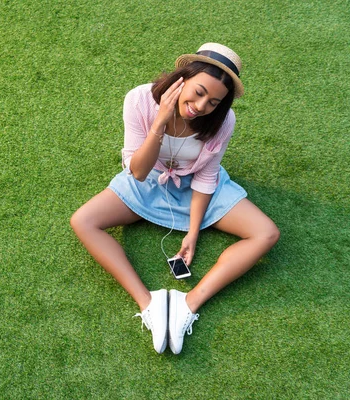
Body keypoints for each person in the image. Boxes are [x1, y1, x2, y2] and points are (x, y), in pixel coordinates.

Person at [70, 43, 280, 354]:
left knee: (267, 233)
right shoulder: (139, 99)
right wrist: (160, 122)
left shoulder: (223, 120)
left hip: (196, 186)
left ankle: (188, 303)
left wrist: (193, 234)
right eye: (198, 92)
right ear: (183, 77)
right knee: (83, 221)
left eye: (213, 102)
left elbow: (207, 176)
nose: (201, 106)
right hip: (148, 179)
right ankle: (149, 303)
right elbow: (138, 172)